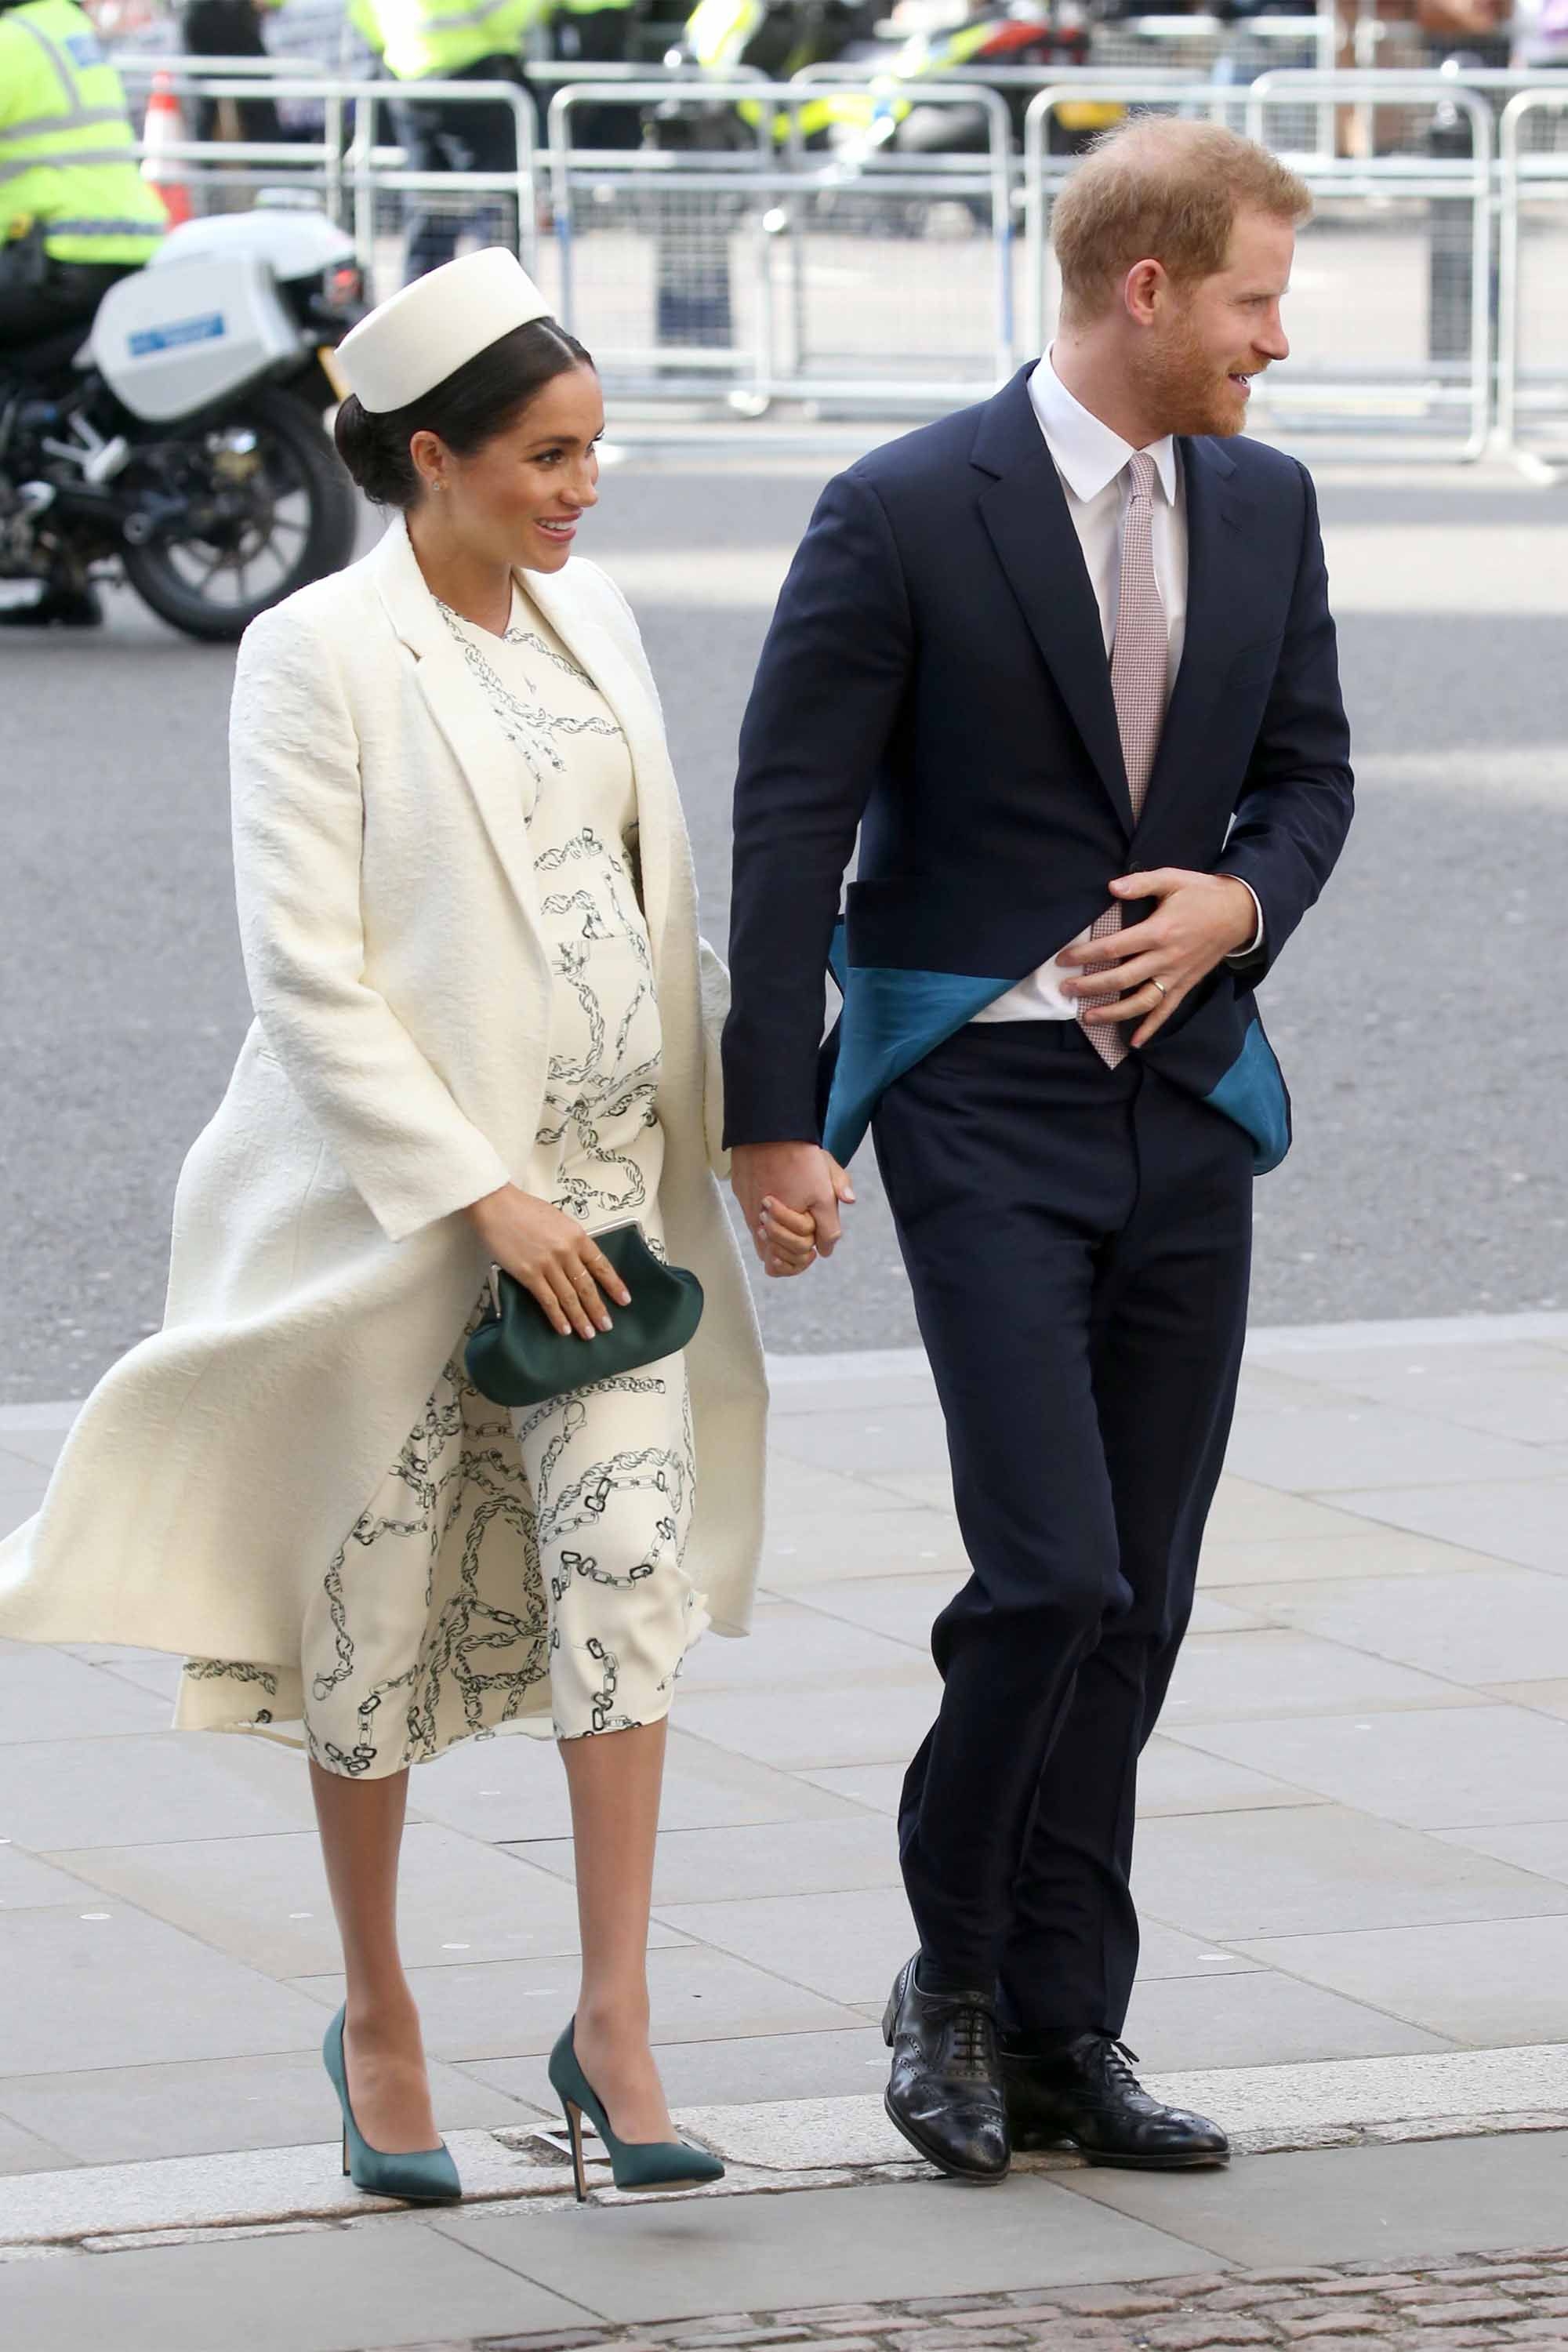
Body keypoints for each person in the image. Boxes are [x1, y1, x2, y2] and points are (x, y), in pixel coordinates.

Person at [0, 246, 794, 2206]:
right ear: (426, 458)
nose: (577, 489)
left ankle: (612, 2022)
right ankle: (375, 2015)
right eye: (542, 454)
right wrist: (481, 1193)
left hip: (608, 1212)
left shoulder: (591, 616)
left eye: (592, 450)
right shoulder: (317, 651)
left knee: (625, 1584)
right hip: (400, 1227)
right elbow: (309, 973)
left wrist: (756, 1134)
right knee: (378, 1631)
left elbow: (643, 905)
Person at [723, 118, 1354, 2183]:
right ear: (1152, 290)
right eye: (1257, 297)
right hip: (981, 1099)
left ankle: (1076, 2027)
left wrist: (1239, 904)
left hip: (1189, 1098)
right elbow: (787, 823)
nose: (1283, 337)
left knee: (1146, 1593)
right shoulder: (903, 509)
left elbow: (1310, 777)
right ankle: (957, 1981)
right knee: (1051, 1570)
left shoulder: (1266, 504)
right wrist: (771, 1121)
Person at [0, 0, 167, 625]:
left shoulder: (13, 43)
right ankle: (63, 575)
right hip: (120, 245)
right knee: (37, 389)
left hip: (62, 253)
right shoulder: (68, 29)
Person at [349, 0, 542, 281]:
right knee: (495, 206)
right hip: (477, 81)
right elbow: (507, 16)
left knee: (427, 206)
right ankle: (502, 303)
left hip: (409, 80)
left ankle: (420, 308)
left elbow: (362, 14)